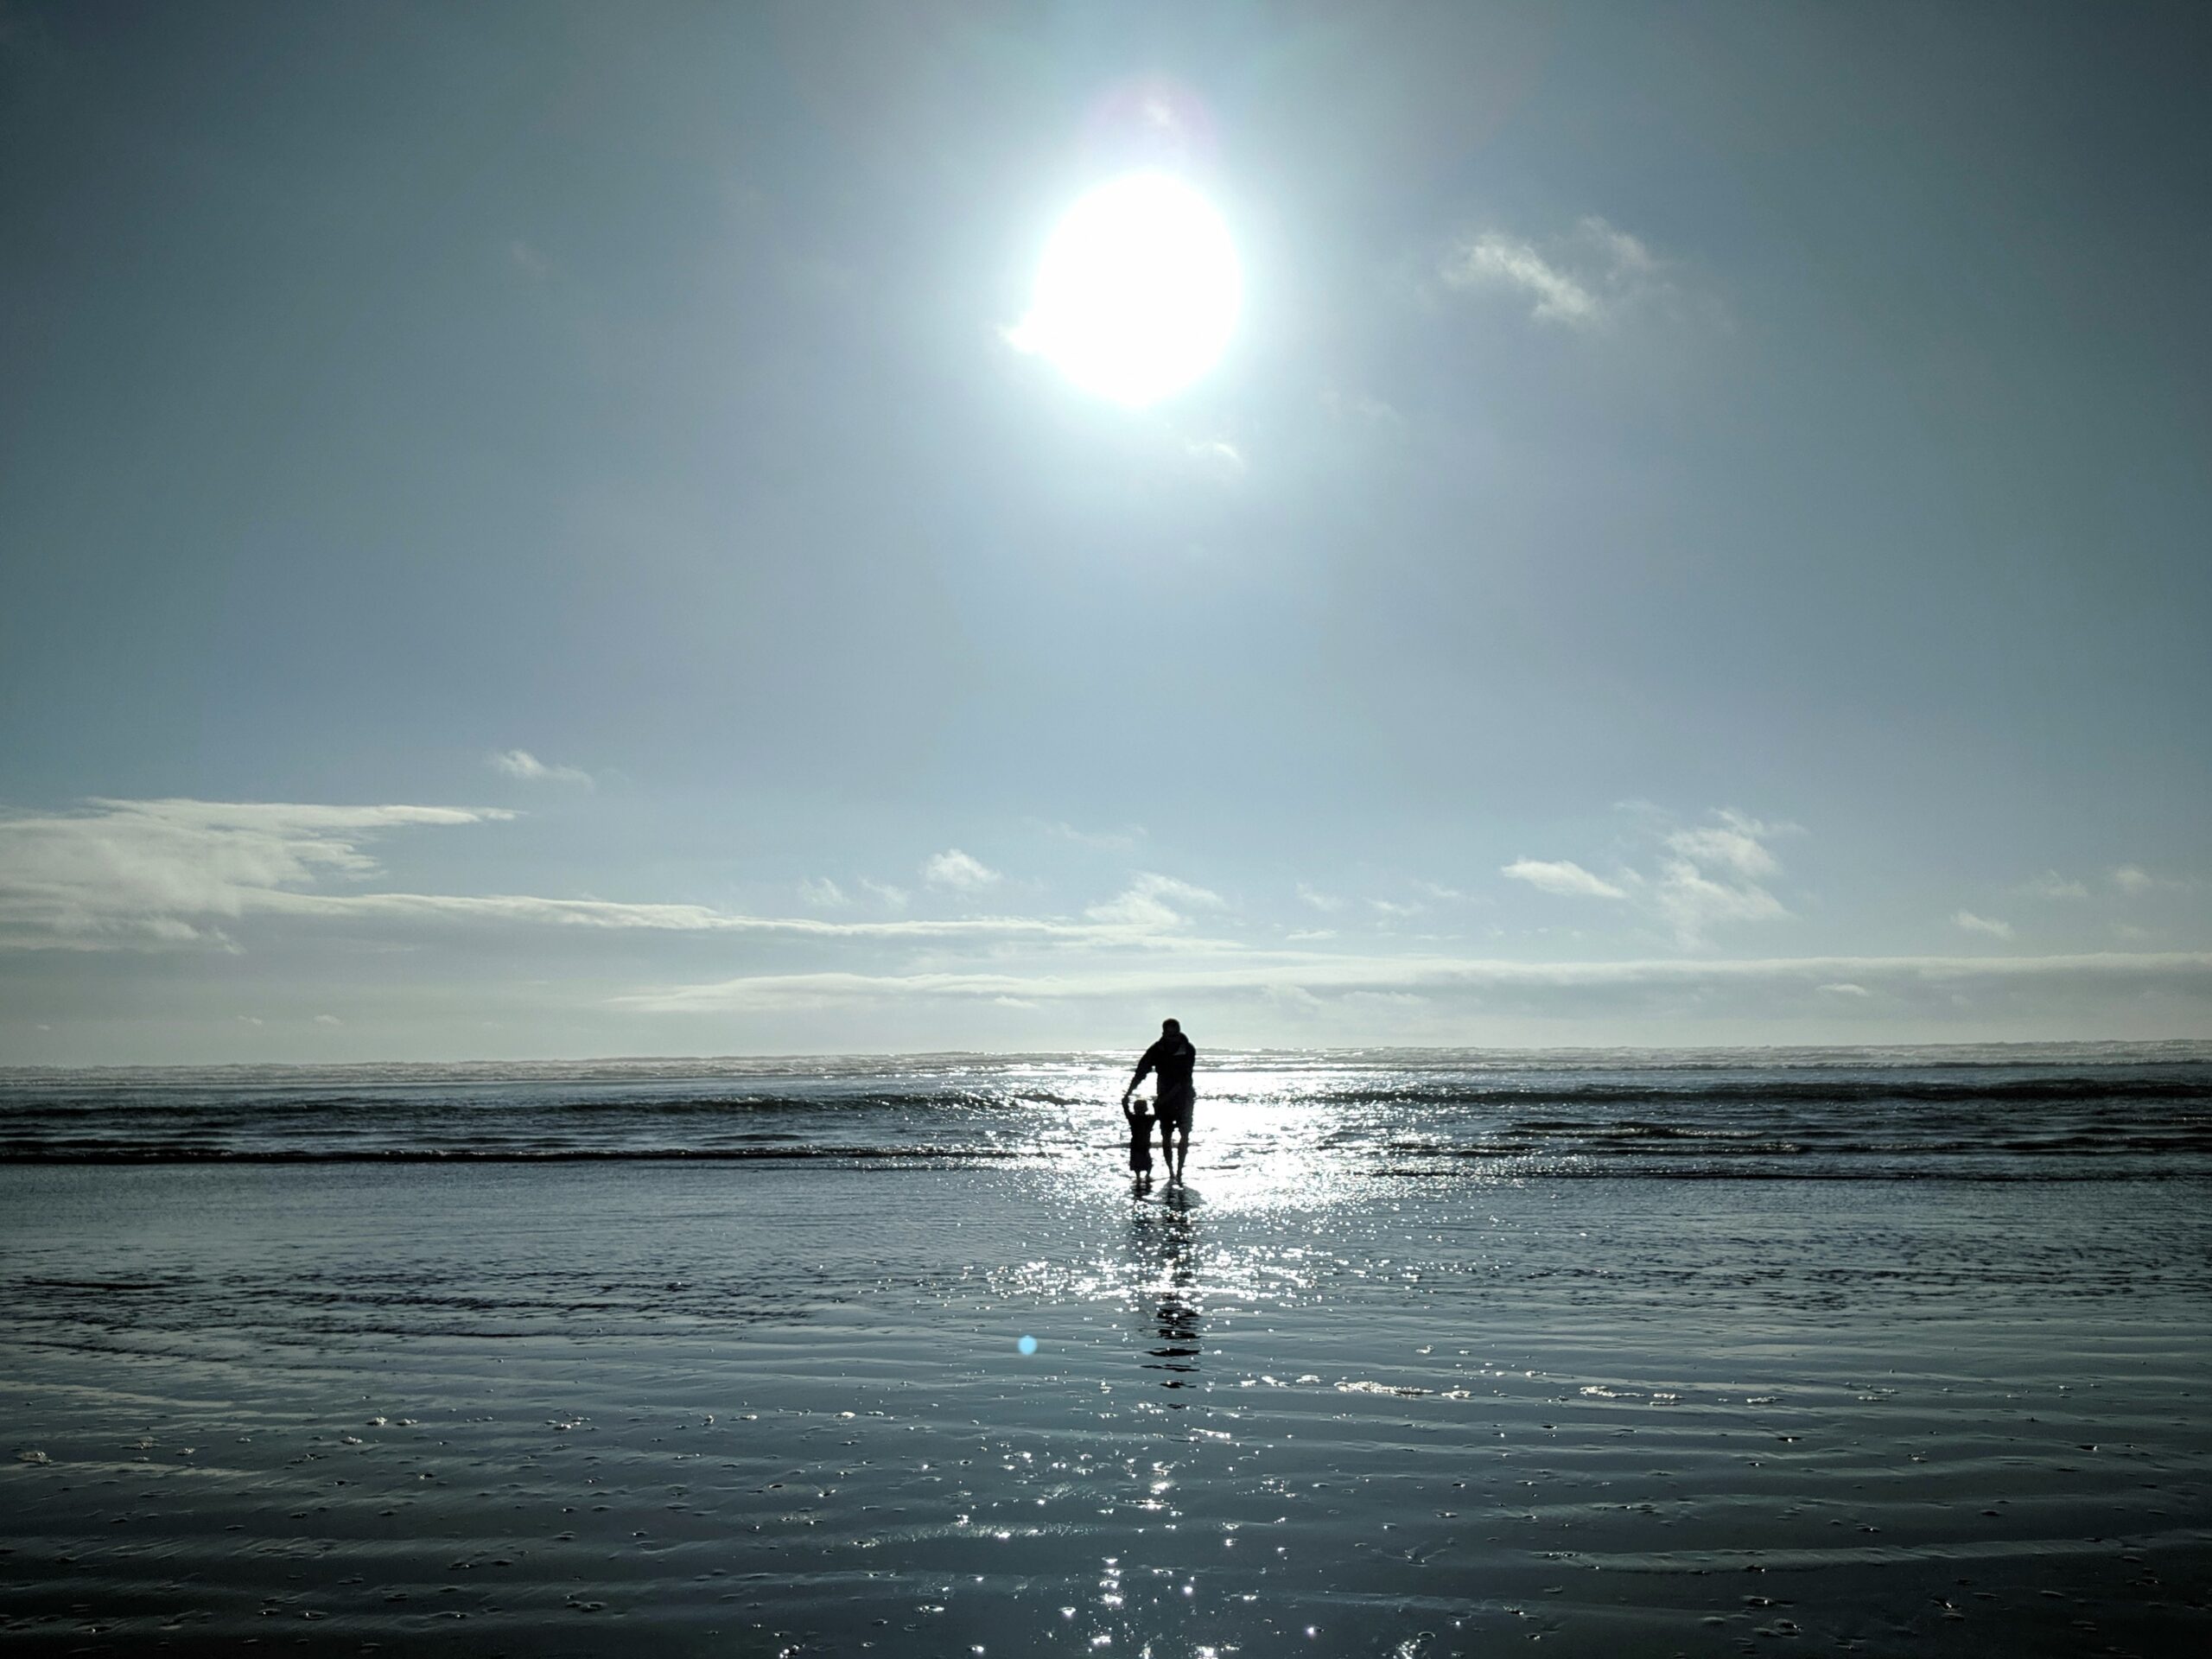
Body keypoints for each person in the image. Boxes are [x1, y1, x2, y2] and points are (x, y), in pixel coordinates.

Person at [1123, 1018, 1196, 1182]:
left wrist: (1165, 1098)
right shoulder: (1157, 1050)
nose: (1173, 1039)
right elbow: (1141, 1070)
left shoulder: (1188, 1049)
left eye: (1175, 1035)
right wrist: (1130, 1091)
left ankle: (1180, 1170)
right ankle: (1171, 1171)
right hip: (1164, 1098)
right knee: (1166, 1136)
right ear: (1164, 1034)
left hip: (1184, 1098)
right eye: (1170, 1036)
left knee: (1184, 1134)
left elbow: (1184, 1078)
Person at [1122, 1092, 1155, 1185]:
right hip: (1145, 1143)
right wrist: (1156, 1103)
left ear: (1135, 1109)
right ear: (1146, 1109)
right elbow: (1158, 1113)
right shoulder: (1149, 1119)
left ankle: (1138, 1177)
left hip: (1136, 1143)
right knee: (1147, 1161)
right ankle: (1147, 1175)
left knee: (1136, 1161)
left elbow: (1126, 1110)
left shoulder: (1133, 1118)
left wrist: (1125, 1101)